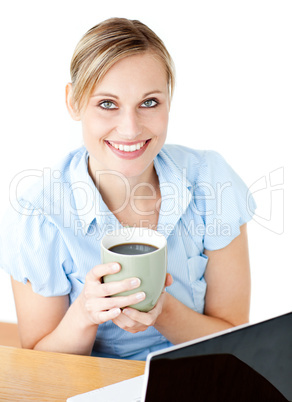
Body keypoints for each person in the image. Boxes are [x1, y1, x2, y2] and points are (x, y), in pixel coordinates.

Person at [0, 17, 256, 360]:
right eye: (107, 104)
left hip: (196, 377)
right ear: (74, 103)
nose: (130, 128)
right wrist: (85, 314)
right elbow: (38, 366)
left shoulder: (211, 180)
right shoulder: (39, 215)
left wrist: (162, 310)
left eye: (149, 102)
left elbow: (235, 338)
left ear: (169, 100)